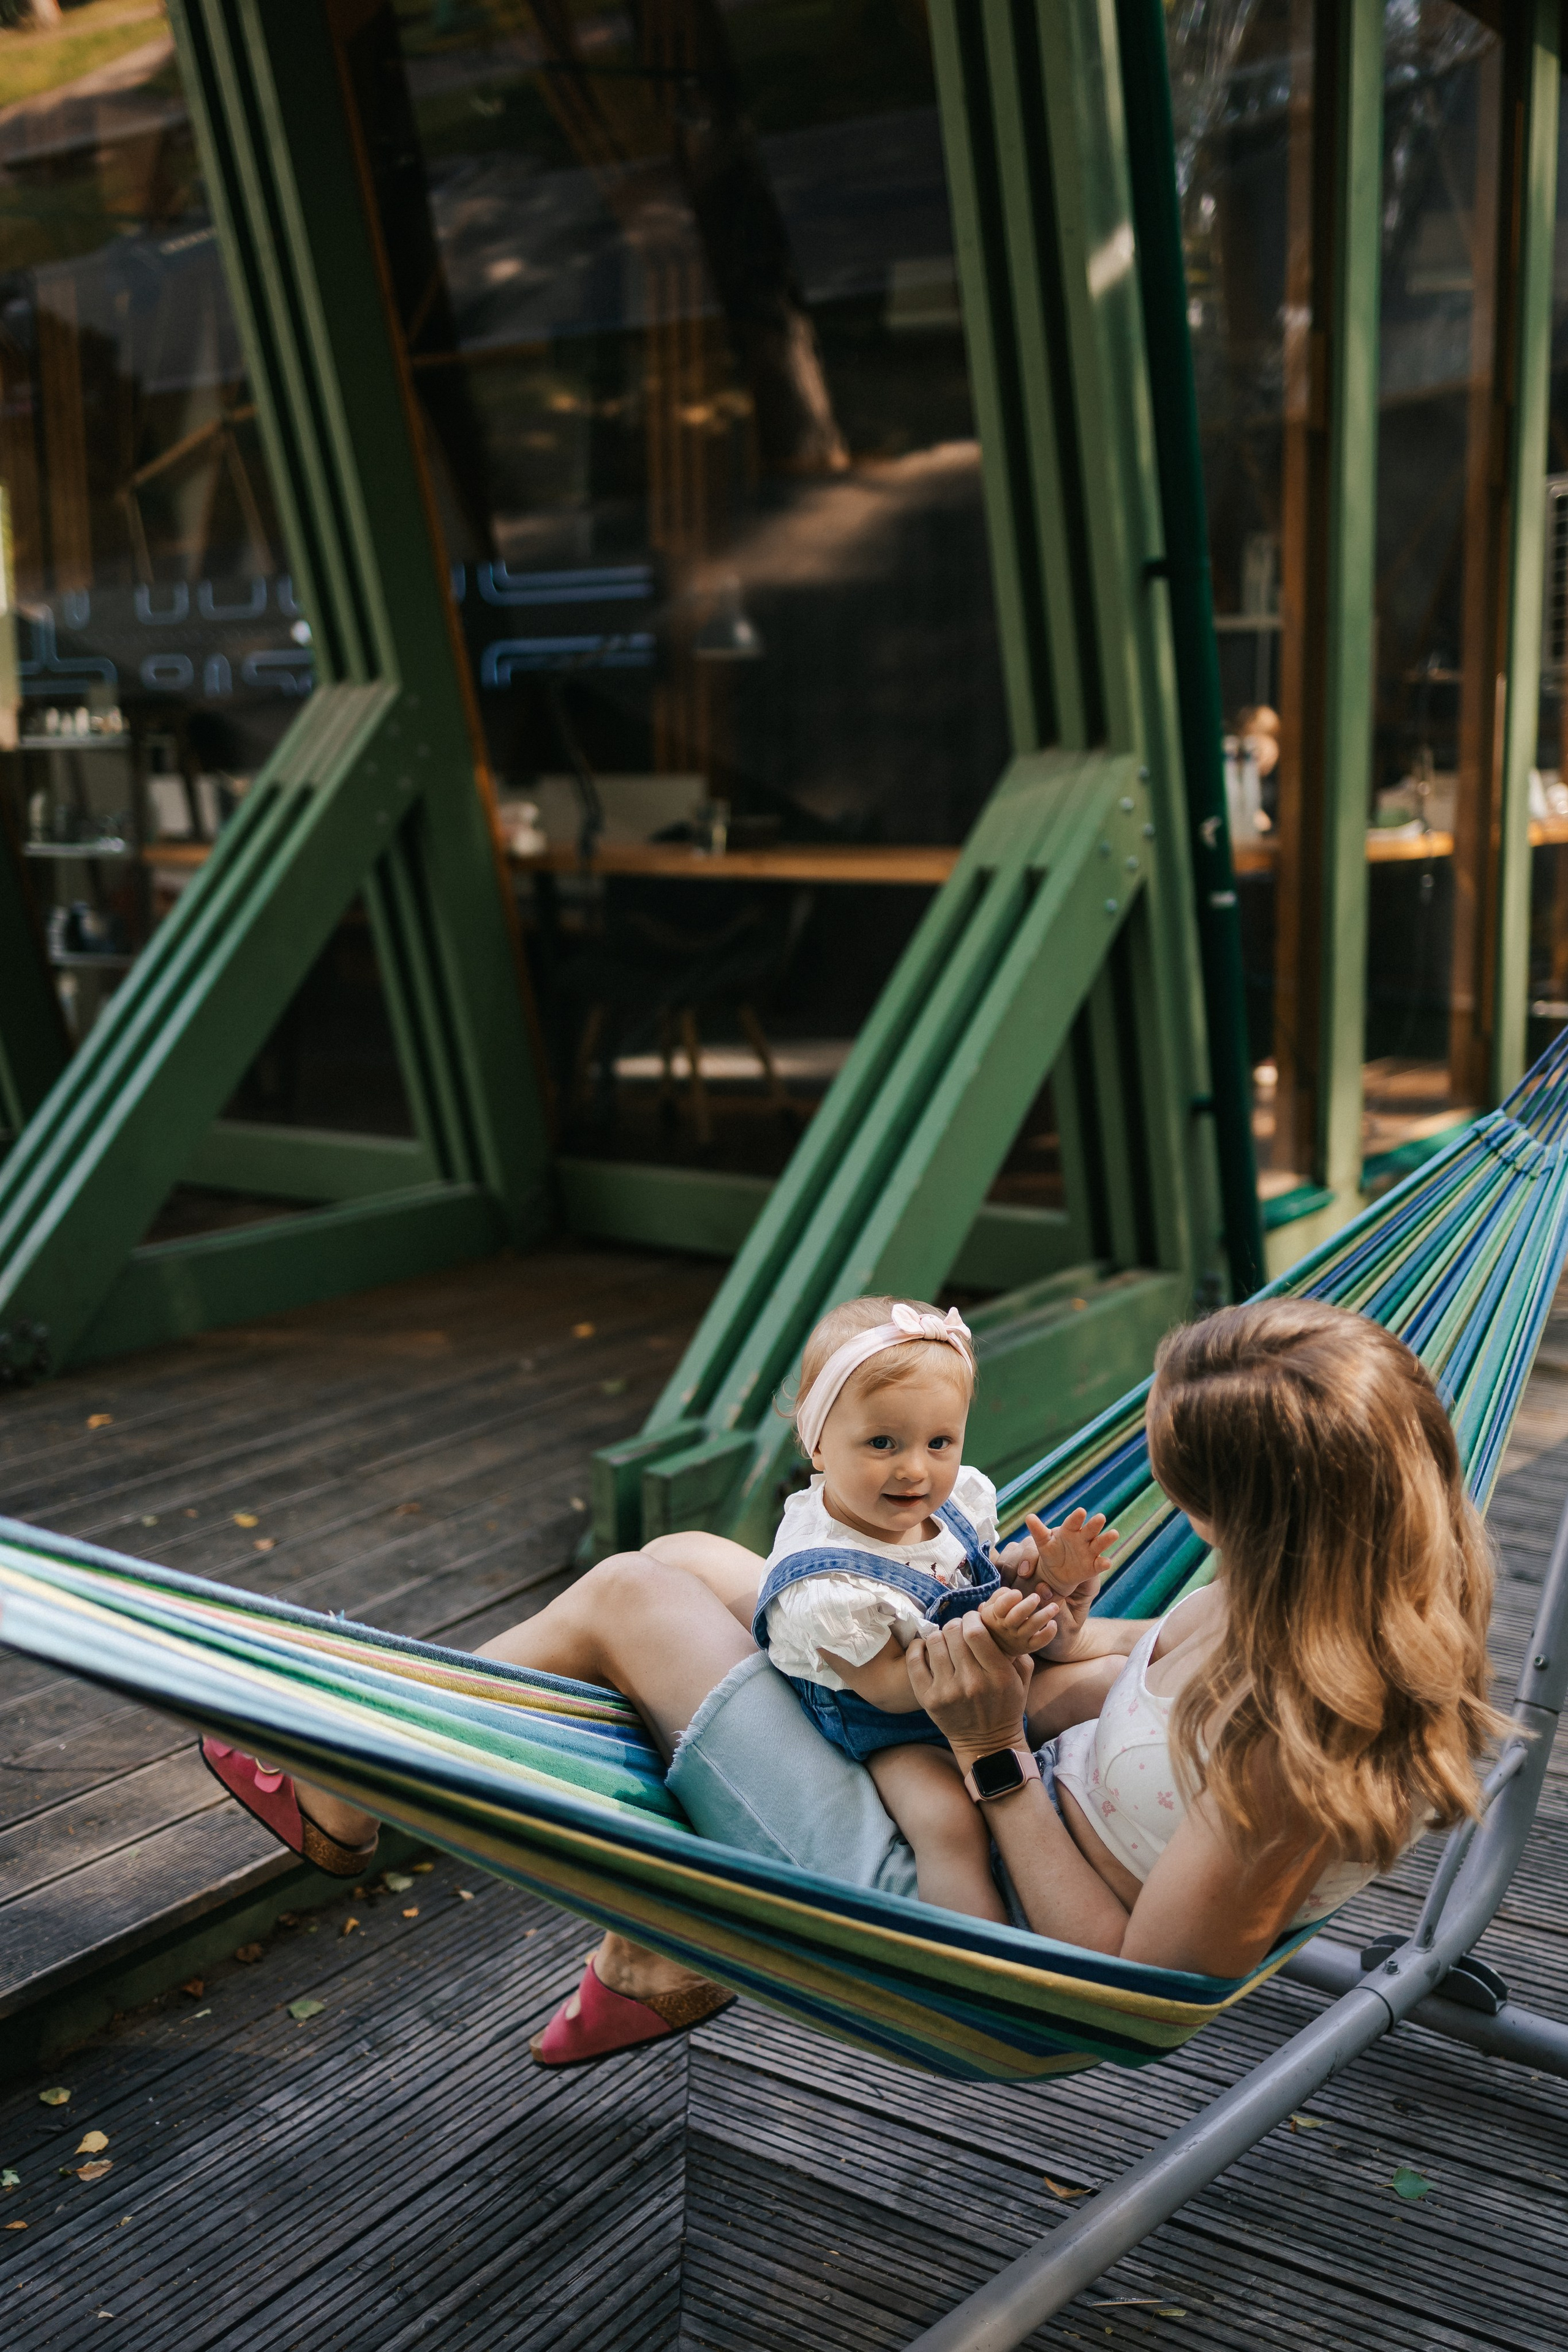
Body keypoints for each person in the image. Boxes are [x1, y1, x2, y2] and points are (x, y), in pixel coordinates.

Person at [202, 1297, 1502, 2070]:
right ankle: (662, 1956)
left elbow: (1115, 1982)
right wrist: (1038, 1625)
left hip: (960, 1922)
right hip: (982, 1790)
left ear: (1259, 1518)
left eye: (1192, 1495)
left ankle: (346, 1795)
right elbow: (1115, 1670)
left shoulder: (1290, 1753)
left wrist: (989, 1751)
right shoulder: (1318, 1603)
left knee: (624, 1597)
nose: (1177, 1510)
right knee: (696, 1560)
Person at [676, 1293, 1121, 1920]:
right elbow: (886, 1686)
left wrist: (1035, 1575)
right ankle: (975, 1958)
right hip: (896, 1727)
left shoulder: (956, 1501)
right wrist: (993, 1640)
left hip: (988, 1693)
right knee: (949, 1824)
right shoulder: (825, 1586)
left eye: (940, 1441)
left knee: (1111, 1683)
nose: (915, 1469)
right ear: (819, 1442)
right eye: (883, 1443)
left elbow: (978, 1572)